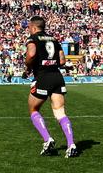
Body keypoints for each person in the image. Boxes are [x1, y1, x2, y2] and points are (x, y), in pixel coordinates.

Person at [24, 16, 76, 157]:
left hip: (43, 77)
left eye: (29, 27)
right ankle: (71, 144)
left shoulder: (32, 38)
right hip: (57, 77)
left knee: (33, 109)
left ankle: (47, 139)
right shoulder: (54, 39)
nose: (29, 30)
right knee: (60, 112)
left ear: (34, 27)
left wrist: (28, 66)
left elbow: (31, 53)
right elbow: (62, 60)